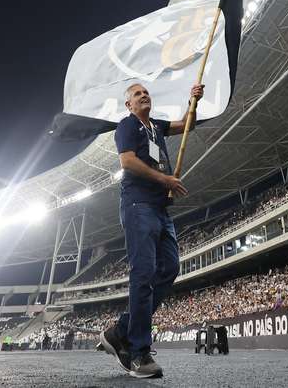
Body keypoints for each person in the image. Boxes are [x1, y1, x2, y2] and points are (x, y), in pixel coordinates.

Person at [100, 82, 203, 379]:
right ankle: (137, 352)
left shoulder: (156, 126)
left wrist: (193, 101)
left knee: (169, 268)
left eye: (146, 92)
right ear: (128, 105)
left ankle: (121, 330)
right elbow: (127, 161)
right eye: (136, 94)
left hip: (160, 209)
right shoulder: (126, 125)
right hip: (138, 205)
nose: (143, 95)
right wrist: (165, 180)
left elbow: (186, 125)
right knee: (143, 273)